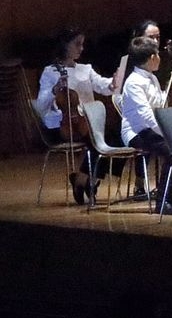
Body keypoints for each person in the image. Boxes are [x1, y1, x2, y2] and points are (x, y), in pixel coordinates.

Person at [35, 27, 117, 204]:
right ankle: (89, 181)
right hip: (62, 125)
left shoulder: (85, 69)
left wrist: (113, 83)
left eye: (82, 44)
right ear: (65, 46)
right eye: (77, 44)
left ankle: (84, 179)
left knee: (117, 137)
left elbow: (102, 84)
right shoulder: (50, 71)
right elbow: (41, 105)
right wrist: (54, 90)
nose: (81, 48)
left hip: (87, 122)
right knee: (101, 141)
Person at [119, 37, 172, 215]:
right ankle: (163, 201)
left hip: (155, 130)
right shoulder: (134, 82)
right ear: (152, 58)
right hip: (137, 132)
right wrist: (169, 134)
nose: (161, 58)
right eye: (158, 54)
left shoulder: (151, 78)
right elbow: (146, 116)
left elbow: (164, 102)